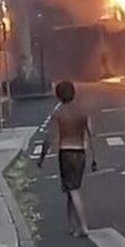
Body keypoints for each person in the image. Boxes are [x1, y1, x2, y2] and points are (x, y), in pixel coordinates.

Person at [38, 80, 97, 236]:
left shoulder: (58, 114)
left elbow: (49, 138)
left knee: (72, 189)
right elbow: (91, 134)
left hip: (66, 153)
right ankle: (71, 225)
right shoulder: (83, 111)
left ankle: (83, 226)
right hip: (81, 153)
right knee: (71, 189)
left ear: (58, 95)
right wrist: (94, 158)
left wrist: (41, 158)